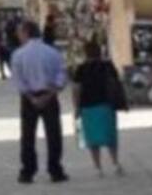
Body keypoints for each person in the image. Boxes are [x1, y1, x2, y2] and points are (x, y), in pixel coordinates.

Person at [11, 19, 68, 184]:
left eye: (20, 32)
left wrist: (31, 97)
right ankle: (55, 169)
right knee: (53, 134)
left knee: (28, 135)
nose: (18, 36)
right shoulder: (52, 52)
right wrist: (49, 94)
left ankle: (27, 171)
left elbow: (18, 80)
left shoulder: (19, 54)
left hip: (29, 98)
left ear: (26, 33)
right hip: (49, 96)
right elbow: (61, 76)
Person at [72, 38, 127, 176]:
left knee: (92, 138)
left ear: (86, 53)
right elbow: (117, 83)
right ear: (100, 52)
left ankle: (98, 167)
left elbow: (77, 89)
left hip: (88, 107)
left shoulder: (81, 69)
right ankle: (115, 163)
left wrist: (77, 108)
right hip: (106, 105)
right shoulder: (108, 66)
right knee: (110, 136)